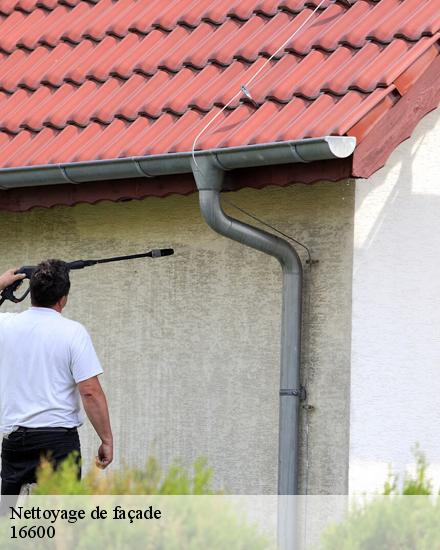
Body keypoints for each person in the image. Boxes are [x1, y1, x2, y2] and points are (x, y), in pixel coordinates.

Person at [0, 260, 113, 496]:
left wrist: (1, 284)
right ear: (63, 298)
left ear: (32, 293)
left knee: (6, 521)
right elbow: (90, 390)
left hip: (16, 441)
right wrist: (106, 440)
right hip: (58, 442)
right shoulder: (73, 332)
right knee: (61, 525)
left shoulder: (6, 325)